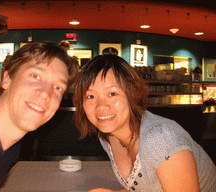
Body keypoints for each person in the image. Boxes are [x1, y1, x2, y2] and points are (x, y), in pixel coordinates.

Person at [73, 54, 216, 192]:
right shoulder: (108, 137)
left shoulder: (161, 139)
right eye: (90, 96)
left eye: (112, 94)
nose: (101, 106)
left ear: (132, 93)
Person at [0, 41, 77, 191]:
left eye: (57, 87)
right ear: (7, 79)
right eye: (35, 76)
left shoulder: (11, 152)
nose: (46, 93)